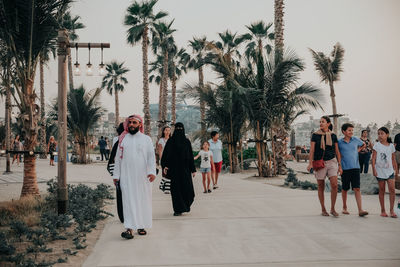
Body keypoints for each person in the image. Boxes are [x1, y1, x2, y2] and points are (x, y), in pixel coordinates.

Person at [112, 115, 157, 239]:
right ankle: (129, 228)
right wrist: (116, 175)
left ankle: (141, 226)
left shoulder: (146, 139)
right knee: (128, 202)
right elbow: (117, 160)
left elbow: (151, 157)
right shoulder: (122, 139)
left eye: (134, 122)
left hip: (142, 177)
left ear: (140, 125)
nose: (131, 124)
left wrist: (152, 172)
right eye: (130, 122)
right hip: (126, 177)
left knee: (142, 200)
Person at [307, 116, 342, 217]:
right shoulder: (315, 135)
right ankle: (323, 209)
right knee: (320, 185)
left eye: (323, 122)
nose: (321, 123)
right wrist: (310, 163)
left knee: (335, 185)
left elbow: (337, 151)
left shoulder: (333, 136)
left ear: (328, 123)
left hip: (331, 161)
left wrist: (340, 165)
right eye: (320, 122)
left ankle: (333, 209)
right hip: (319, 162)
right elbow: (312, 150)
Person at [161, 122, 196, 216]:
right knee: (176, 190)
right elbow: (166, 155)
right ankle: (178, 209)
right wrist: (165, 166)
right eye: (178, 128)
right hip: (176, 170)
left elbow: (190, 156)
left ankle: (183, 206)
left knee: (186, 189)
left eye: (180, 128)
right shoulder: (171, 141)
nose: (179, 130)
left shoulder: (185, 141)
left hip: (183, 170)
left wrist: (193, 169)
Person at [338, 123, 368, 216]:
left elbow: (363, 144)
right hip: (345, 168)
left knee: (357, 188)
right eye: (349, 130)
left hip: (356, 167)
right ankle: (344, 207)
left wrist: (357, 151)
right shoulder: (339, 142)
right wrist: (339, 166)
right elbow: (337, 154)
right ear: (344, 131)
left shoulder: (355, 139)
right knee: (345, 189)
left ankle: (360, 210)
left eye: (352, 130)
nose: (351, 132)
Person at [371, 127, 398, 218]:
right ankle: (383, 210)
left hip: (390, 171)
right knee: (382, 190)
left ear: (387, 135)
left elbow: (393, 159)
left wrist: (396, 170)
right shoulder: (376, 145)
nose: (380, 135)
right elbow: (373, 158)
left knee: (392, 190)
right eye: (378, 133)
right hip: (380, 171)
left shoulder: (391, 146)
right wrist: (374, 169)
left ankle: (391, 210)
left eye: (382, 133)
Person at [157, 126, 171, 193]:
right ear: (163, 131)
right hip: (164, 159)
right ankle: (164, 187)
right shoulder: (161, 140)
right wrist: (162, 161)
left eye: (169, 130)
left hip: (171, 160)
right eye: (166, 130)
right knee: (165, 174)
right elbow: (160, 151)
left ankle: (166, 186)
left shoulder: (171, 139)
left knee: (170, 174)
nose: (167, 132)